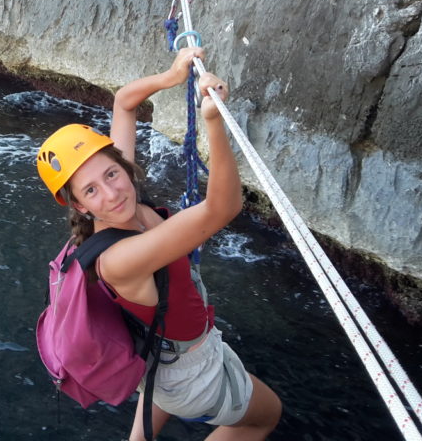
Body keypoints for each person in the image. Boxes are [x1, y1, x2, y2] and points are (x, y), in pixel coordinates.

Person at [35, 46, 282, 441]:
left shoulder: (119, 198)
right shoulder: (118, 260)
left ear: (122, 165)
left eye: (112, 173)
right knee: (266, 416)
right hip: (190, 372)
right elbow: (222, 208)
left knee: (165, 381)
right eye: (92, 191)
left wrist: (171, 76)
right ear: (79, 205)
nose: (112, 194)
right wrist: (214, 123)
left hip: (160, 355)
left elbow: (124, 103)